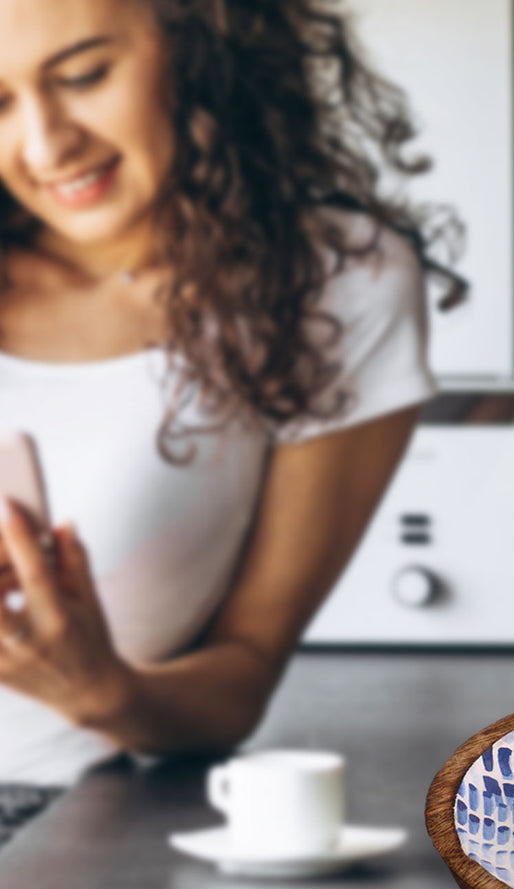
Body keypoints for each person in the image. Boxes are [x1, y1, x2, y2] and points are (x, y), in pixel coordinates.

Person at [0, 0, 463, 800]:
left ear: (195, 43)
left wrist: (100, 689)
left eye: (83, 76)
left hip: (42, 828)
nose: (46, 144)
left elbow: (242, 676)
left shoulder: (333, 285)